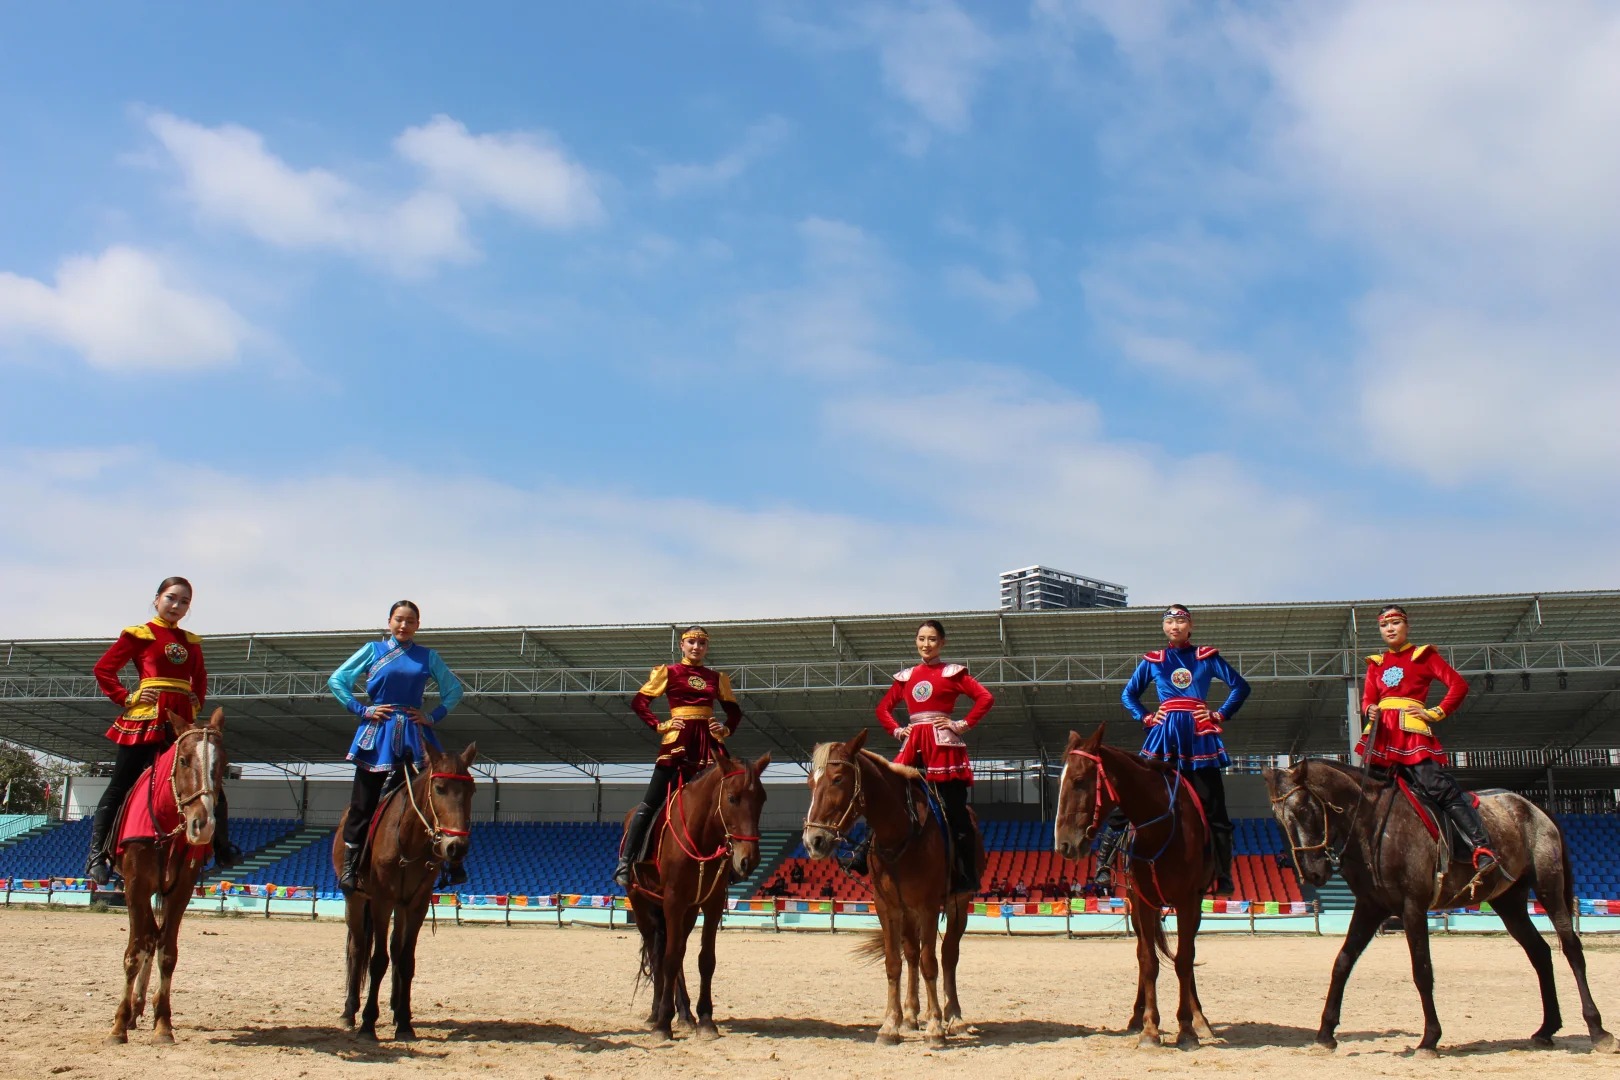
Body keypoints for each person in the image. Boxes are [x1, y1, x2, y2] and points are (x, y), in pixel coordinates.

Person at [85, 577, 240, 885]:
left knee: (211, 785)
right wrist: (127, 697)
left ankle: (222, 847)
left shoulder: (191, 642)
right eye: (171, 598)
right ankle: (97, 854)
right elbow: (103, 669)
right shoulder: (138, 635)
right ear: (156, 599)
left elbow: (199, 677)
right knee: (121, 785)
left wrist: (196, 701)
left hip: (181, 721)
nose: (176, 606)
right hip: (146, 718)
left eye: (184, 602)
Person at [1095, 604, 1250, 896]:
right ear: (1164, 628)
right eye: (1169, 621)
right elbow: (1128, 693)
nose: (1174, 626)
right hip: (1162, 736)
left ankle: (1222, 873)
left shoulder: (1206, 657)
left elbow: (1240, 687)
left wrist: (1219, 714)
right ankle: (1104, 864)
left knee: (1214, 808)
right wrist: (1146, 716)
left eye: (1180, 621)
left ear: (1190, 626)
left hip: (1199, 736)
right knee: (1131, 797)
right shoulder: (1154, 660)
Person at [843, 619, 994, 893]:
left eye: (933, 639)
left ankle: (965, 872)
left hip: (944, 749)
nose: (926, 644)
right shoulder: (906, 677)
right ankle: (862, 854)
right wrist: (899, 731)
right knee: (886, 799)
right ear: (916, 642)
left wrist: (960, 725)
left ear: (942, 643)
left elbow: (985, 698)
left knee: (956, 811)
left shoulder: (953, 673)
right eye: (922, 638)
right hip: (912, 745)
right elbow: (883, 709)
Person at [329, 600, 466, 894]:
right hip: (377, 733)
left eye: (410, 621)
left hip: (416, 735)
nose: (404, 625)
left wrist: (432, 716)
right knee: (363, 802)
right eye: (399, 620)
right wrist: (362, 709)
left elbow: (454, 690)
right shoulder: (372, 650)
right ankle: (351, 866)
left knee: (444, 794)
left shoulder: (428, 657)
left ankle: (453, 863)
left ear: (418, 625)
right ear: (389, 621)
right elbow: (338, 680)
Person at [1359, 604, 1494, 872]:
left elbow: (1458, 685)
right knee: (1368, 793)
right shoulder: (1376, 663)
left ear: (1406, 626)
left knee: (1436, 786)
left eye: (1395, 623)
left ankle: (1481, 845)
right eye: (1384, 625)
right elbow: (1368, 698)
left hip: (1411, 733)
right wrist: (1369, 709)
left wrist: (1435, 712)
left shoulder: (1423, 656)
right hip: (1381, 735)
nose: (1390, 629)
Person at [613, 626, 744, 888]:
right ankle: (626, 862)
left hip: (709, 746)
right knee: (650, 804)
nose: (697, 647)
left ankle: (728, 864)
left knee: (728, 804)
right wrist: (660, 725)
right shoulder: (669, 672)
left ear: (707, 648)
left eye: (702, 643)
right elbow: (639, 702)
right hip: (678, 746)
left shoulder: (716, 678)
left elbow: (735, 711)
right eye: (691, 642)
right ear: (682, 645)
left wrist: (726, 728)